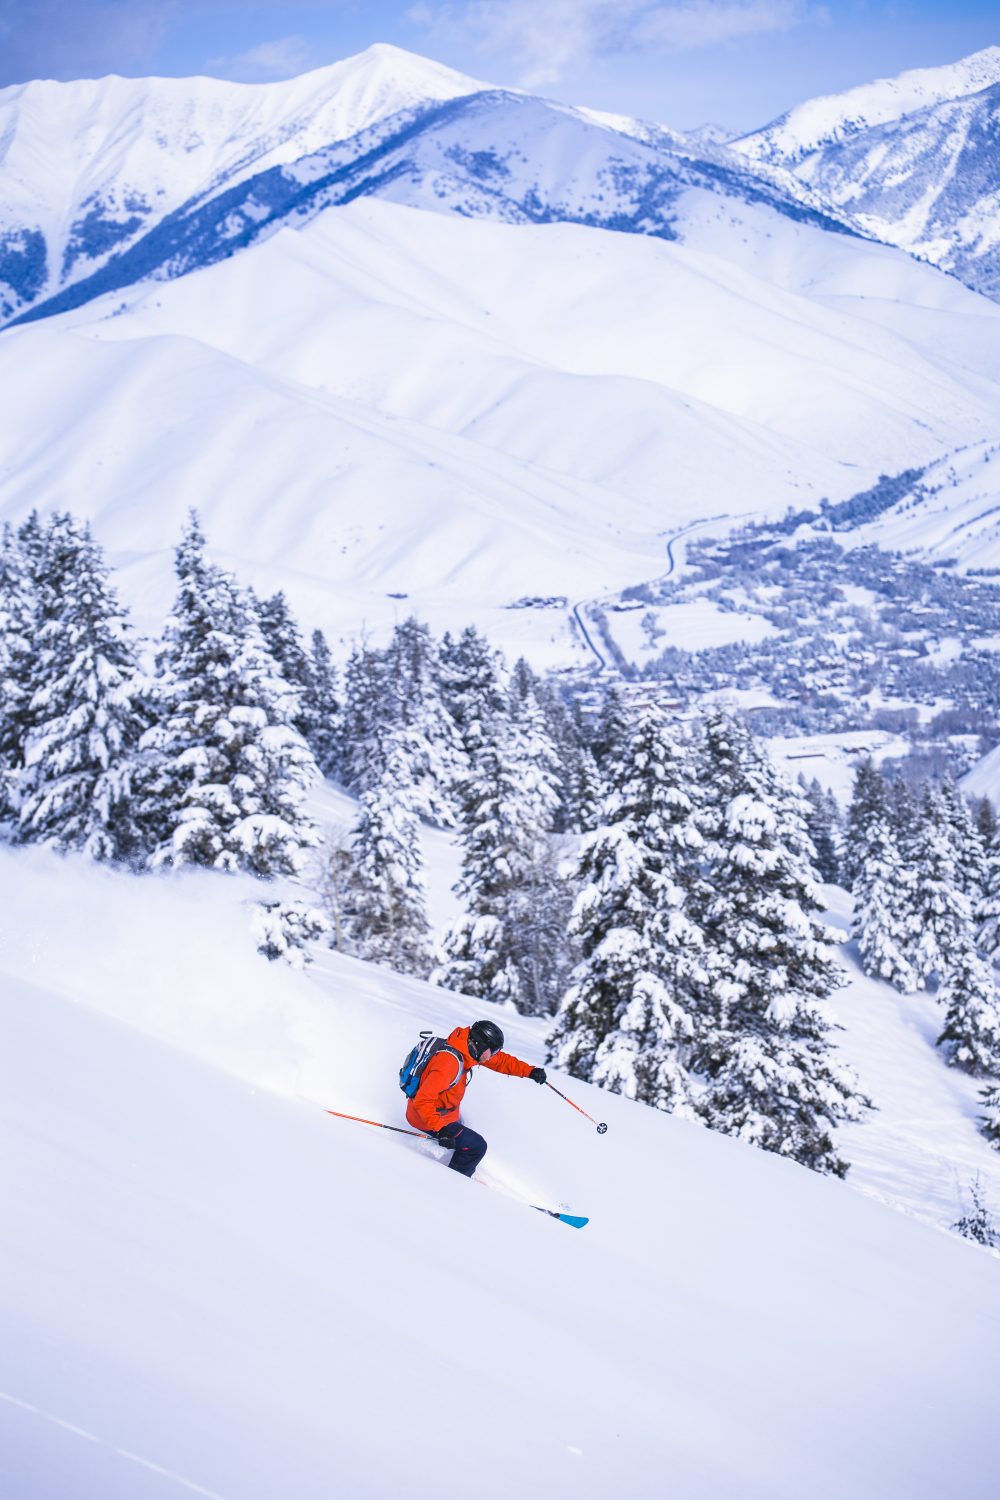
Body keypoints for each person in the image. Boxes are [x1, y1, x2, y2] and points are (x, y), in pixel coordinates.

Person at [406, 1019, 546, 1178]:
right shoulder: (448, 1064)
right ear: (480, 1045)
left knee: (462, 1127)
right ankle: (453, 1181)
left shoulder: (467, 1049)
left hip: (446, 1112)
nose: (493, 1056)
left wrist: (529, 1072)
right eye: (492, 1051)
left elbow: (500, 1061)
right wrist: (440, 1129)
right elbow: (423, 1100)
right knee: (476, 1147)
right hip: (424, 1116)